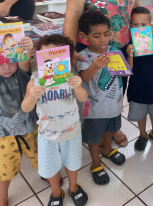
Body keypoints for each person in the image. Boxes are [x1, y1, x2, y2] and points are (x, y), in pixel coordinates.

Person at [63, 0, 141, 148]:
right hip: (92, 47)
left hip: (121, 46)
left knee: (116, 91)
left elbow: (136, 8)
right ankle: (92, 131)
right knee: (94, 91)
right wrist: (69, 51)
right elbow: (74, 12)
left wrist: (143, 39)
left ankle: (112, 127)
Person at [21, 35, 88, 206]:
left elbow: (83, 97)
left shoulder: (71, 78)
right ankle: (56, 192)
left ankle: (73, 187)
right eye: (47, 55)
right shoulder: (35, 82)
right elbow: (25, 108)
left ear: (67, 56)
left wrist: (78, 86)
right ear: (39, 57)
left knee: (72, 164)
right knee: (50, 168)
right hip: (47, 135)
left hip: (71, 132)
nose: (52, 61)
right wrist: (32, 97)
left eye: (58, 55)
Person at [0, 36, 36, 206]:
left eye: (11, 61)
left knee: (40, 157)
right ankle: (2, 195)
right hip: (4, 134)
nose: (6, 66)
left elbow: (24, 61)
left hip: (30, 127)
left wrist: (27, 48)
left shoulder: (21, 72)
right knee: (4, 169)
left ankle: (47, 173)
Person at [76, 10, 126, 186]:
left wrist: (131, 58)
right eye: (96, 36)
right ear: (84, 36)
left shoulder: (113, 51)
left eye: (106, 34)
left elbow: (125, 72)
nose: (103, 40)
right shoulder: (84, 56)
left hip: (115, 104)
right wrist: (95, 66)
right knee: (93, 136)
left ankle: (108, 150)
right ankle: (95, 163)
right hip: (95, 109)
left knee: (110, 130)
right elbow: (84, 78)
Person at [121, 7, 153, 151]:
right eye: (135, 25)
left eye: (144, 25)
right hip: (137, 88)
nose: (139, 28)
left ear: (151, 27)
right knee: (140, 115)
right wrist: (129, 55)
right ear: (130, 27)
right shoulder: (128, 46)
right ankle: (142, 135)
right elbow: (127, 72)